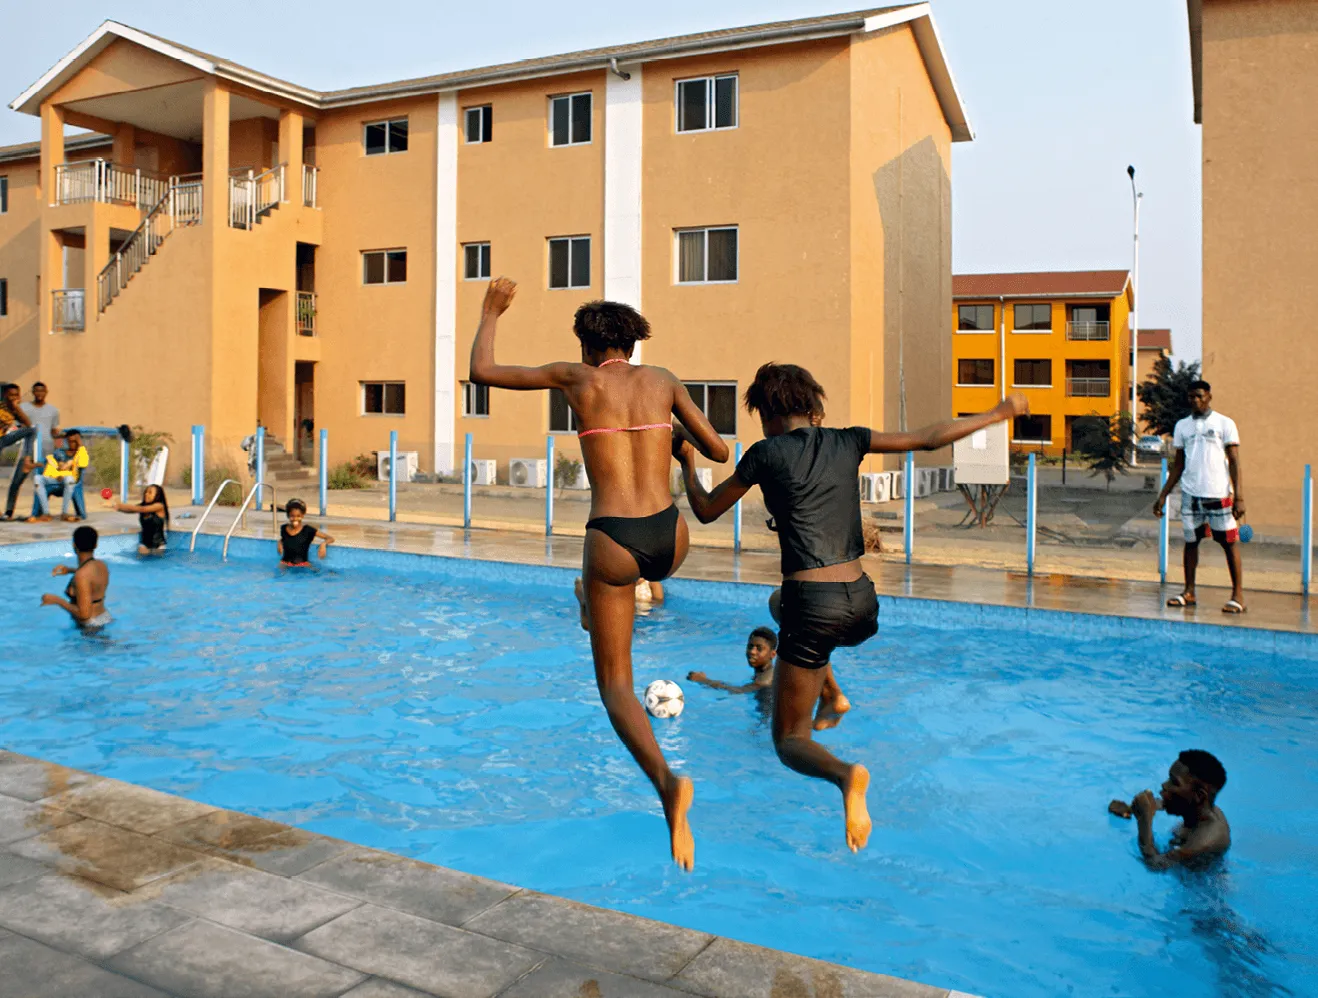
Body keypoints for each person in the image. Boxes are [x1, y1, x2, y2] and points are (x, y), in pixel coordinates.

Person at [675, 361, 1026, 853]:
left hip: (812, 605)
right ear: (810, 405)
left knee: (789, 741)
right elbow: (927, 439)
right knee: (778, 604)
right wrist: (998, 412)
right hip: (862, 603)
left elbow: (708, 510)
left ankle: (846, 778)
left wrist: (688, 465)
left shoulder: (764, 453)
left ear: (769, 413)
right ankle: (833, 696)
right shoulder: (849, 439)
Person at [470, 276, 729, 871]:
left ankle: (668, 784)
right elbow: (717, 451)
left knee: (614, 685)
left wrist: (491, 310)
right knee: (605, 598)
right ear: (632, 346)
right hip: (671, 538)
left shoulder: (575, 378)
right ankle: (592, 605)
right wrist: (679, 448)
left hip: (613, 541)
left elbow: (483, 372)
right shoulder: (662, 381)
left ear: (586, 346)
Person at [1153, 381, 1245, 613]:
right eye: (1191, 396)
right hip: (1191, 495)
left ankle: (1238, 596)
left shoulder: (1225, 423)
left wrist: (1240, 496)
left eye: (1199, 396)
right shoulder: (1182, 426)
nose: (1195, 400)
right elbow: (1179, 465)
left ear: (1209, 397)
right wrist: (1163, 495)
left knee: (1229, 543)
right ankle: (1189, 591)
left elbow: (1234, 461)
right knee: (1191, 542)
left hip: (1219, 495)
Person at [1108, 749, 1231, 868]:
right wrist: (1130, 808)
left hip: (1198, 885)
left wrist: (1143, 821)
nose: (1164, 785)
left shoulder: (1202, 844)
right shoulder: (1201, 808)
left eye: (1174, 782)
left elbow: (1154, 863)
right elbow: (1169, 804)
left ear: (1199, 795)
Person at [42, 525, 110, 630]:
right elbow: (91, 578)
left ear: (74, 545)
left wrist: (56, 600)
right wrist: (70, 570)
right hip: (104, 617)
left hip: (90, 627)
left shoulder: (81, 576)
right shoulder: (101, 565)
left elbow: (84, 614)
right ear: (96, 545)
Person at [687, 626, 778, 695]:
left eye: (759, 648)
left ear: (772, 654)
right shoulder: (764, 674)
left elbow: (737, 691)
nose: (752, 652)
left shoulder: (765, 680)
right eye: (750, 647)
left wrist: (703, 680)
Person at [30, 429, 89, 522]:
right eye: (70, 441)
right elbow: (54, 465)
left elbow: (83, 463)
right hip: (54, 479)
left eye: (75, 441)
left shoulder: (81, 453)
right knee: (37, 478)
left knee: (69, 479)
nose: (72, 444)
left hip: (70, 481)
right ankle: (46, 513)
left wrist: (80, 445)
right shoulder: (59, 452)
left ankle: (64, 513)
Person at [0, 382, 36, 521]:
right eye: (10, 395)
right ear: (5, 395)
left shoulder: (14, 410)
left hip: (3, 440)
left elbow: (27, 424)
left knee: (31, 430)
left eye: (16, 395)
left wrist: (16, 407)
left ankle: (27, 458)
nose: (13, 397)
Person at [573, 577, 664, 631]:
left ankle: (584, 596)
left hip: (643, 612)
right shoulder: (620, 582)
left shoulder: (651, 582)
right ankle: (584, 594)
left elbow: (658, 602)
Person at [109, 484, 169, 555]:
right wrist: (115, 507)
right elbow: (130, 510)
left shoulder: (159, 506)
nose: (146, 494)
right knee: (141, 560)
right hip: (145, 544)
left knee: (156, 562)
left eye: (150, 492)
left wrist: (120, 504)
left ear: (158, 495)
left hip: (159, 545)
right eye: (146, 492)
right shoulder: (142, 506)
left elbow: (141, 509)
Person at [278, 498, 334, 566]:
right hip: (285, 564)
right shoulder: (284, 528)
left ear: (303, 515)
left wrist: (323, 544)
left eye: (298, 516)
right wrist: (280, 542)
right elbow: (287, 539)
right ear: (288, 515)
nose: (295, 519)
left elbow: (330, 538)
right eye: (292, 516)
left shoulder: (308, 530)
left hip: (303, 565)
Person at [19, 381, 60, 459]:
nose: (39, 393)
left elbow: (54, 431)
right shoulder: (23, 408)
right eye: (37, 391)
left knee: (46, 470)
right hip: (28, 448)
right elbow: (18, 427)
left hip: (47, 448)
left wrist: (58, 445)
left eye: (42, 391)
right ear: (33, 392)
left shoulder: (53, 410)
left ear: (46, 392)